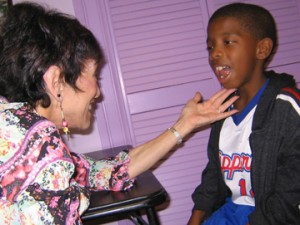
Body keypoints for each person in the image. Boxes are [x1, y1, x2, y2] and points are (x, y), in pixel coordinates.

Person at [0, 3, 239, 225]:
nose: (98, 92)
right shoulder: (40, 143)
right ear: (56, 81)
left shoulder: (18, 129)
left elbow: (106, 172)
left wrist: (185, 124)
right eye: (94, 74)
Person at [187, 2, 300, 225]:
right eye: (210, 47)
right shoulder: (223, 110)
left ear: (262, 49)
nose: (215, 53)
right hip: (233, 212)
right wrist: (196, 216)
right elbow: (213, 173)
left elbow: (292, 190)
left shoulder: (288, 107)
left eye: (227, 42)